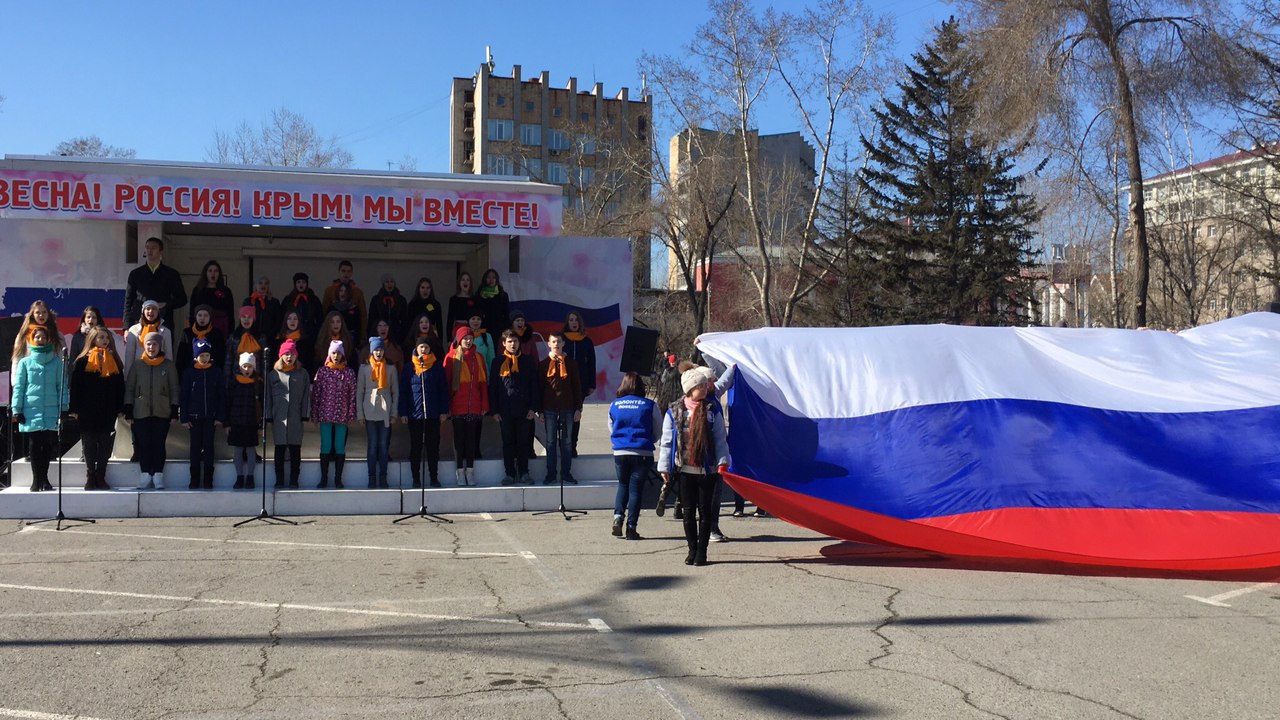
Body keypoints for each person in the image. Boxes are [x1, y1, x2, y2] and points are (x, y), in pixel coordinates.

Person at [657, 367, 731, 567]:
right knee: (688, 512)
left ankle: (702, 552)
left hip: (707, 470)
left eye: (705, 385)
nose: (705, 388)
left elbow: (720, 439)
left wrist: (723, 461)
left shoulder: (712, 409)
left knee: (705, 512)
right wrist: (664, 467)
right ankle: (692, 549)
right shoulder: (674, 411)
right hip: (685, 470)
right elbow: (667, 442)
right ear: (690, 389)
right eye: (701, 386)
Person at [11, 326, 69, 492]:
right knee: (35, 445)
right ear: (32, 339)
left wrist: (63, 407)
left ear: (48, 340)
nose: (41, 340)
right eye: (37, 337)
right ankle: (36, 480)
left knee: (48, 445)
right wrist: (17, 409)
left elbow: (61, 386)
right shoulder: (25, 362)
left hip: (51, 410)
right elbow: (19, 387)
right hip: (31, 409)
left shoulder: (57, 362)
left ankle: (45, 479)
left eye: (43, 337)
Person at [69, 325, 124, 490]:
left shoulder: (114, 360)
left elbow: (120, 386)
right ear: (92, 339)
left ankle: (101, 475)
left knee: (105, 442)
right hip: (87, 409)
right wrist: (74, 408)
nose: (105, 340)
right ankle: (91, 475)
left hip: (107, 408)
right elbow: (76, 386)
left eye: (107, 338)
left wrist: (120, 407)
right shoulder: (82, 361)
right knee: (89, 442)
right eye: (101, 337)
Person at [125, 331, 180, 490]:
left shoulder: (168, 365)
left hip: (162, 411)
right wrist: (128, 408)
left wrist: (174, 408)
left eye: (154, 344)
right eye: (148, 344)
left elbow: (174, 388)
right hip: (140, 411)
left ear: (160, 346)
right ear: (144, 346)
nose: (151, 347)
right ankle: (145, 474)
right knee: (143, 444)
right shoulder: (137, 365)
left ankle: (158, 474)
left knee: (158, 443)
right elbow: (130, 387)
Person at [609, 373, 658, 540]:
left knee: (622, 485)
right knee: (636, 489)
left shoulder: (615, 404)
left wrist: (621, 441)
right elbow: (658, 427)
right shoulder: (649, 405)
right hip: (642, 451)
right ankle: (631, 528)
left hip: (620, 451)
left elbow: (611, 427)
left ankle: (618, 517)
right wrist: (650, 439)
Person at [488, 329, 536, 486]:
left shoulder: (527, 361)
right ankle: (509, 473)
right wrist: (494, 410)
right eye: (509, 342)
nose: (513, 344)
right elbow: (493, 388)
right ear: (504, 343)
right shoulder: (497, 362)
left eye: (515, 341)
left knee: (523, 442)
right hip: (505, 410)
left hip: (524, 410)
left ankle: (524, 472)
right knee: (507, 442)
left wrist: (533, 408)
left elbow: (534, 386)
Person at [399, 337, 449, 488]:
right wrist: (403, 412)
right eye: (421, 347)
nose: (423, 350)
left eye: (426, 347)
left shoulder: (437, 367)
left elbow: (443, 390)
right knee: (416, 447)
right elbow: (404, 391)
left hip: (432, 414)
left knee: (433, 447)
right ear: (416, 348)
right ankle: (416, 479)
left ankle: (434, 477)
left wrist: (443, 411)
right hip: (415, 414)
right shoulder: (409, 368)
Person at [534, 332, 582, 485]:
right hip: (549, 409)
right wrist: (540, 411)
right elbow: (539, 389)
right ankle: (551, 474)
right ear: (549, 344)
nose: (556, 344)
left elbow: (577, 387)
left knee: (567, 442)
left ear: (563, 344)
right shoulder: (543, 364)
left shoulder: (571, 363)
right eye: (553, 341)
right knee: (550, 442)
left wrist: (578, 408)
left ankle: (566, 473)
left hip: (567, 408)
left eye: (559, 341)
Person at [444, 325, 488, 486]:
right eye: (465, 339)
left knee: (471, 440)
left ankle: (470, 471)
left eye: (470, 338)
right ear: (459, 340)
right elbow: (447, 383)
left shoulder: (478, 357)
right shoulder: (451, 357)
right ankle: (459, 472)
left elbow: (483, 383)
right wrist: (447, 406)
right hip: (457, 405)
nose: (468, 341)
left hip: (474, 404)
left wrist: (484, 404)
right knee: (459, 440)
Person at [265, 338, 311, 489]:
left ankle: (294, 480)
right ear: (281, 356)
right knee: (279, 449)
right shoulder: (273, 374)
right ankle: (279, 480)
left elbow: (306, 396)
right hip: (279, 417)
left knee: (295, 449)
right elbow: (268, 397)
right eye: (286, 354)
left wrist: (305, 414)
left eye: (292, 354)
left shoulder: (302, 374)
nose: (289, 357)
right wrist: (268, 415)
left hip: (295, 417)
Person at [180, 338, 225, 490]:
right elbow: (184, 396)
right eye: (201, 356)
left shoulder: (216, 372)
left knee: (208, 447)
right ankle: (194, 479)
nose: (204, 358)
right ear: (195, 356)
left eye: (206, 355)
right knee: (195, 447)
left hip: (210, 418)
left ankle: (208, 479)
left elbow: (221, 395)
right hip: (194, 418)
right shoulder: (189, 373)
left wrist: (219, 416)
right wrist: (184, 417)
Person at [311, 340, 356, 489]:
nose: (336, 356)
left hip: (342, 415)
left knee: (339, 446)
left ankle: (338, 479)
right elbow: (316, 394)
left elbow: (352, 395)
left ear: (343, 355)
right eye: (334, 353)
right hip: (325, 414)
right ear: (329, 354)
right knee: (326, 445)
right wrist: (314, 413)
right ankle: (324, 478)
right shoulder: (322, 372)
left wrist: (351, 413)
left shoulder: (349, 373)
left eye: (339, 353)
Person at [356, 336, 399, 488]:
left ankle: (383, 477)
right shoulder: (364, 368)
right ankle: (372, 477)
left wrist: (394, 413)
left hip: (385, 411)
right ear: (371, 351)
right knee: (372, 445)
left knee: (383, 445)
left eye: (380, 349)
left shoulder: (391, 368)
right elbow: (359, 392)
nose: (378, 353)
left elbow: (395, 391)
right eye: (376, 350)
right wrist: (360, 414)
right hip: (369, 410)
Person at [123, 236, 186, 331]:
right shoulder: (136, 273)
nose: (150, 250)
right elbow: (128, 301)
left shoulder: (171, 274)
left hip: (163, 323)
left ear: (161, 251)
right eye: (147, 247)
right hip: (140, 322)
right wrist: (127, 327)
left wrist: (165, 304)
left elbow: (182, 299)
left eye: (153, 248)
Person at [225, 352, 263, 490]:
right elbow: (228, 403)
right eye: (244, 366)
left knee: (251, 450)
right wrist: (227, 423)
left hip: (251, 422)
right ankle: (239, 477)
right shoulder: (234, 382)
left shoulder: (258, 383)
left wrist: (261, 425)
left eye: (250, 366)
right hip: (237, 421)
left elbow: (262, 405)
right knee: (238, 450)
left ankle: (250, 477)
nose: (247, 369)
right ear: (240, 367)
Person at [562, 310, 596, 456]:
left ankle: (572, 445)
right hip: (564, 383)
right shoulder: (562, 339)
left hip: (581, 383)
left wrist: (592, 384)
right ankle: (564, 444)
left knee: (576, 414)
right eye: (571, 320)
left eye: (576, 320)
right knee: (565, 415)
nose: (574, 322)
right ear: (567, 322)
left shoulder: (586, 341)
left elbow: (592, 363)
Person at [124, 300, 174, 374]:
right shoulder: (133, 330)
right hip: (139, 372)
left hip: (159, 372)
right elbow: (129, 356)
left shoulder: (166, 331)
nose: (151, 311)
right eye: (148, 308)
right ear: (143, 311)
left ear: (158, 312)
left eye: (154, 309)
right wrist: (128, 376)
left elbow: (168, 355)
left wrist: (169, 375)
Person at [188, 260, 235, 337]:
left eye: (215, 271)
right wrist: (192, 330)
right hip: (202, 327)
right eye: (210, 271)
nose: (213, 273)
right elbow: (192, 313)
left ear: (219, 274)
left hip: (221, 328)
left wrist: (231, 334)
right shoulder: (198, 290)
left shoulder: (226, 291)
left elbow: (230, 314)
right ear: (205, 273)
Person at [321, 260, 367, 340]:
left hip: (351, 332)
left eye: (348, 271)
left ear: (351, 273)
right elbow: (324, 312)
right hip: (333, 333)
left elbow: (362, 316)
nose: (346, 274)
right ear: (339, 272)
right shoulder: (329, 291)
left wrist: (362, 336)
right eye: (343, 271)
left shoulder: (358, 292)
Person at [12, 300, 65, 366]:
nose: (41, 315)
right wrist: (16, 373)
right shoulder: (23, 334)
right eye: (37, 312)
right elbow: (17, 359)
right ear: (32, 315)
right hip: (30, 371)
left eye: (44, 312)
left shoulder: (57, 334)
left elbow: (62, 359)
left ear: (48, 314)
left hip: (50, 372)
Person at [177, 305, 226, 375]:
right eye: (199, 315)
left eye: (205, 315)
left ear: (210, 317)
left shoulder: (216, 333)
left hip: (211, 373)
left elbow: (221, 356)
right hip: (191, 373)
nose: (202, 318)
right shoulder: (187, 333)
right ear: (195, 316)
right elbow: (181, 356)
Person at [226, 305, 266, 382]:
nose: (246, 320)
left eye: (249, 317)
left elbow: (264, 361)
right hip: (236, 379)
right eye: (243, 317)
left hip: (256, 379)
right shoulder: (234, 337)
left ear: (253, 319)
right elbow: (228, 360)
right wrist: (227, 380)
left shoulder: (260, 337)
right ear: (240, 319)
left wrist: (264, 380)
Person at [368, 274, 408, 345]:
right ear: (383, 284)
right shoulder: (376, 299)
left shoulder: (401, 299)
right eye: (387, 282)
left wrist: (403, 332)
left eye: (392, 281)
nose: (389, 284)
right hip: (380, 332)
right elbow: (372, 318)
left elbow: (405, 319)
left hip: (397, 333)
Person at [281, 272, 324, 339]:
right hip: (292, 333)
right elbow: (283, 317)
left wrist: (317, 332)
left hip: (310, 333)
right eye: (298, 282)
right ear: (295, 284)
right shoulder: (288, 299)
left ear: (307, 284)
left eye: (303, 282)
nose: (301, 284)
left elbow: (320, 318)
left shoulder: (313, 299)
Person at [314, 311, 355, 380]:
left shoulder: (348, 339)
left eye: (338, 322)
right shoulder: (323, 340)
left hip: (344, 377)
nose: (335, 324)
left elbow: (351, 360)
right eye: (332, 322)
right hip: (326, 377)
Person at [275, 309, 315, 376]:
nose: (292, 321)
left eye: (295, 319)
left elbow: (309, 363)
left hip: (300, 375)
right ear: (285, 321)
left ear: (299, 321)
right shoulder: (279, 340)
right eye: (289, 318)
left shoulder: (305, 341)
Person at [243, 275, 283, 341]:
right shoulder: (248, 301)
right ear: (255, 285)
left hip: (270, 338)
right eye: (260, 283)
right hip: (252, 338)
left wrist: (271, 334)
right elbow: (243, 320)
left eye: (266, 283)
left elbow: (278, 322)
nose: (263, 286)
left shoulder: (274, 302)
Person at [476, 268, 510, 338]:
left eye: (493, 277)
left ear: (497, 280)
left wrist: (506, 329)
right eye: (488, 277)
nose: (491, 279)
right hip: (484, 327)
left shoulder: (503, 295)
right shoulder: (479, 294)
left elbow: (506, 314)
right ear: (485, 279)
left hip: (499, 329)